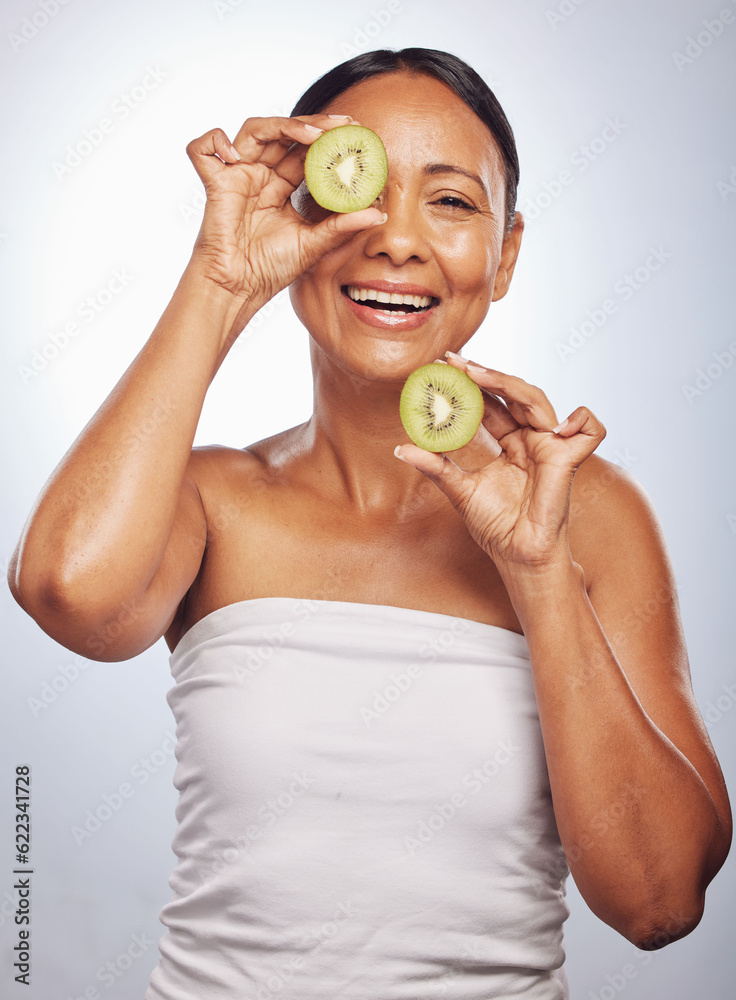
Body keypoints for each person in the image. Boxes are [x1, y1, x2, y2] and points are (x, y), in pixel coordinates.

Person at [7, 47, 731, 1000]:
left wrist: (539, 569)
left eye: (452, 202)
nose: (397, 239)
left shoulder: (584, 515)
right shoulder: (215, 500)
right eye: (359, 189)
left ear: (505, 255)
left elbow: (659, 901)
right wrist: (222, 281)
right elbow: (67, 591)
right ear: (298, 213)